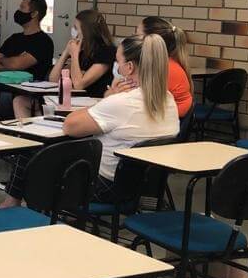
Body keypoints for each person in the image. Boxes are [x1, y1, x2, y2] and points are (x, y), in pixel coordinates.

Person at [63, 34, 179, 202]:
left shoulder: (122, 102)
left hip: (106, 187)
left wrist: (108, 98)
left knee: (35, 157)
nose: (116, 68)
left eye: (118, 63)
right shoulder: (168, 99)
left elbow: (70, 126)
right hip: (146, 188)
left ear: (130, 67)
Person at [0, 0, 55, 120]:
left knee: (7, 100)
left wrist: (4, 61)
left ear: (34, 14)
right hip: (3, 87)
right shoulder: (14, 38)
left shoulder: (43, 42)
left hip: (26, 92)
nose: (18, 11)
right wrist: (12, 63)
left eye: (22, 8)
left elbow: (17, 64)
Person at [47, 8, 116, 98]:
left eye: (76, 28)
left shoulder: (106, 51)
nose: (73, 31)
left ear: (87, 31)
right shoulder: (82, 50)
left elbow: (79, 84)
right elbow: (53, 80)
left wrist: (74, 55)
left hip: (93, 100)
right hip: (75, 99)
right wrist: (65, 53)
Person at [138, 16, 193, 118]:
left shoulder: (165, 68)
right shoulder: (166, 63)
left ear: (152, 40)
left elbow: (143, 101)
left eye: (138, 36)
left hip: (167, 122)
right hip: (168, 118)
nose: (134, 40)